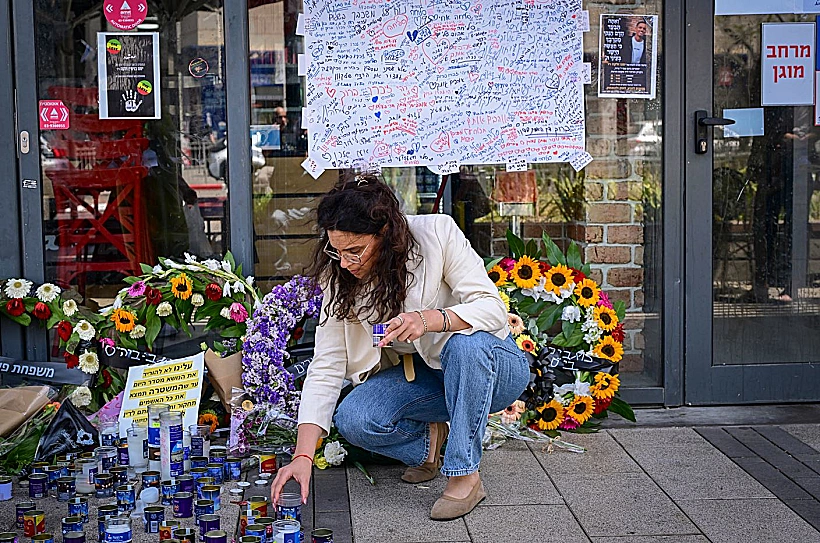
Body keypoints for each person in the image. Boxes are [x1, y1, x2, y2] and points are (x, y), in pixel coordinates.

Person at [271, 172, 530, 520]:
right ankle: (428, 446)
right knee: (355, 418)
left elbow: (493, 309)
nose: (345, 263)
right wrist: (302, 456)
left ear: (385, 233)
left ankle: (465, 476)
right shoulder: (340, 274)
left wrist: (428, 320)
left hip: (494, 367)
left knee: (464, 347)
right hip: (425, 378)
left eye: (354, 251)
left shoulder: (437, 233)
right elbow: (327, 363)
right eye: (336, 251)